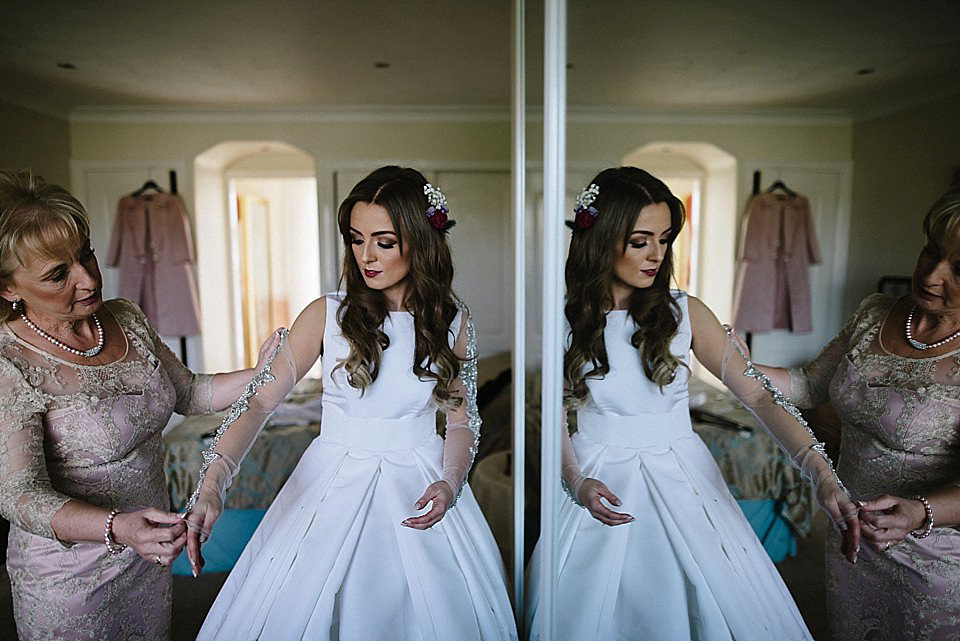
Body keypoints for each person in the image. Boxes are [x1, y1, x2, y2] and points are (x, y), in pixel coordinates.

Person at [525, 167, 858, 641]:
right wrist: (574, 479)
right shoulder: (561, 319)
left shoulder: (686, 312)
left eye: (664, 239)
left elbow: (760, 395)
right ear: (599, 239)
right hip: (594, 474)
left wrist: (820, 472)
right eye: (640, 241)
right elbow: (552, 414)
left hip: (681, 472)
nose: (656, 255)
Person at [190, 166, 518, 640]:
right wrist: (213, 483)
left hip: (422, 482)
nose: (366, 256)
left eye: (383, 241)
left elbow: (462, 422)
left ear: (421, 241)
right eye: (356, 239)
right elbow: (259, 403)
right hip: (332, 481)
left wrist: (450, 482)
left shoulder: (452, 319)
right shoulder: (328, 313)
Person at [0, 170, 274, 641]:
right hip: (69, 580)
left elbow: (188, 392)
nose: (87, 279)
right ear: (8, 289)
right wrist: (118, 527)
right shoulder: (9, 362)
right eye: (57, 274)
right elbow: (18, 495)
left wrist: (265, 369)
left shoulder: (124, 316)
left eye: (85, 253)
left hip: (148, 559)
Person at [754, 187, 960, 641]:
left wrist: (919, 511)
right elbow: (809, 384)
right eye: (931, 251)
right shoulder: (876, 312)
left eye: (958, 269)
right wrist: (727, 356)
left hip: (935, 557)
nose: (932, 274)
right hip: (849, 535)